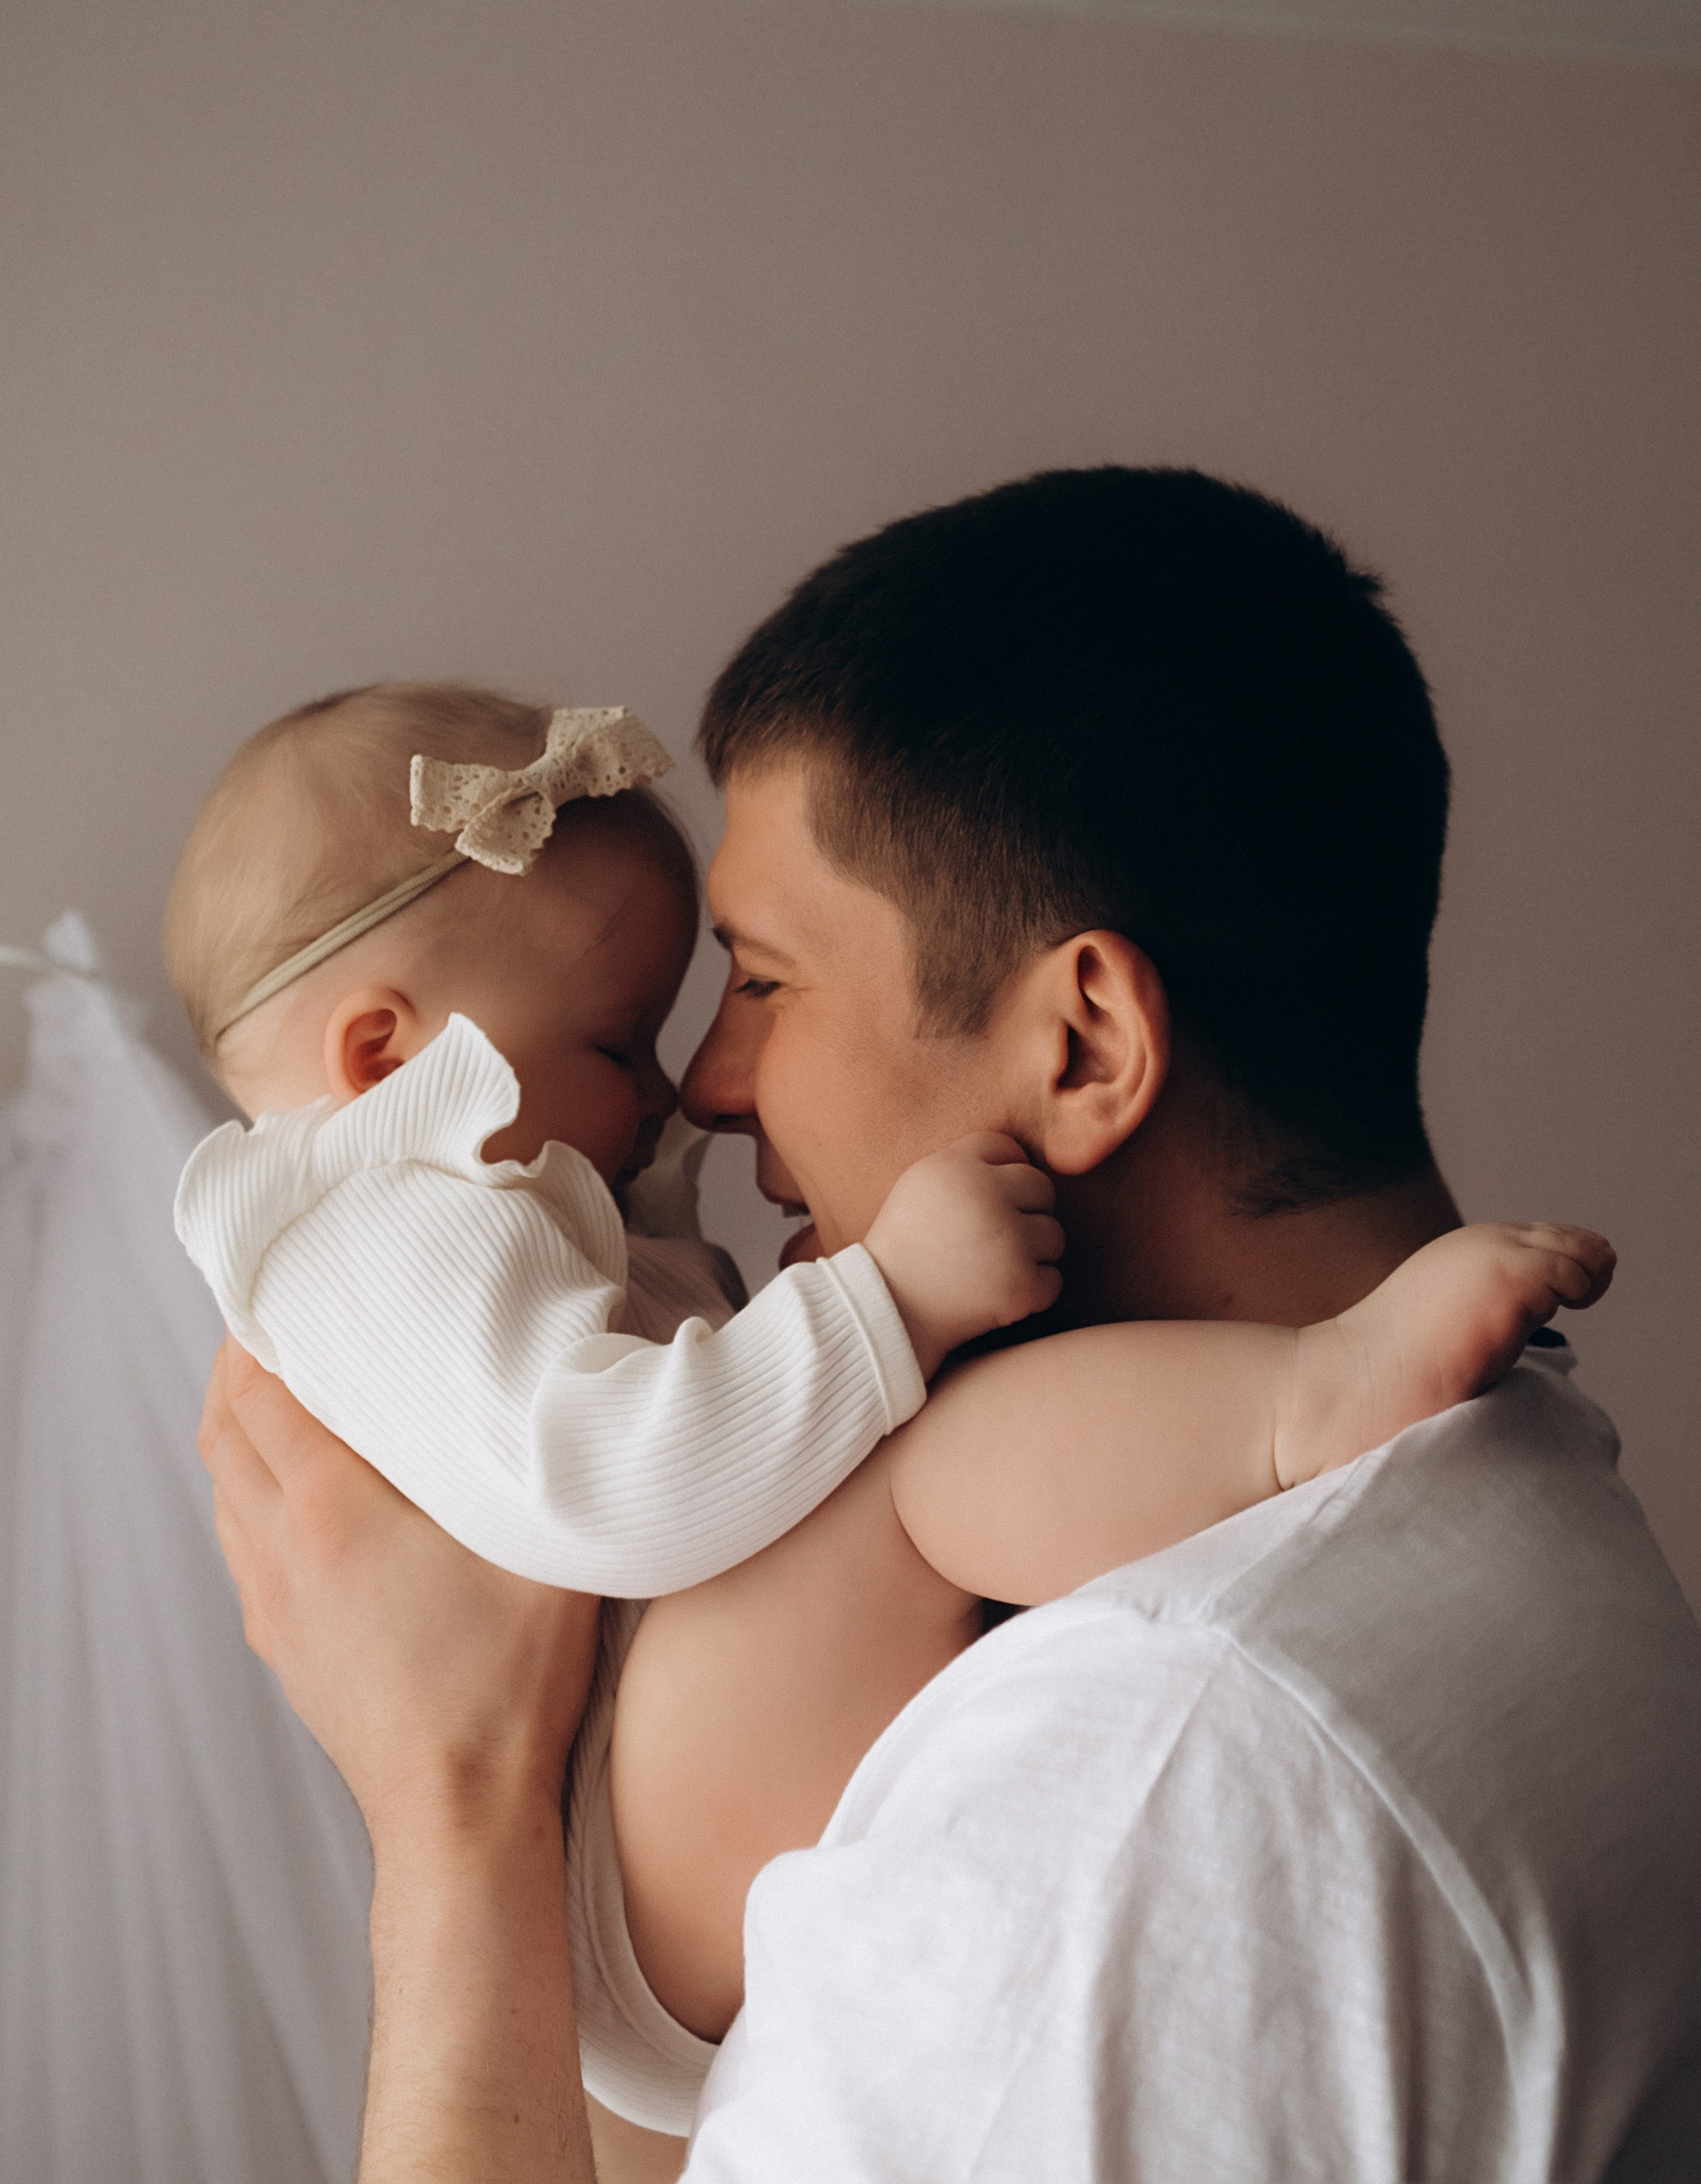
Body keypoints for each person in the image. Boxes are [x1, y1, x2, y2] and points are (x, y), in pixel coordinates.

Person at [199, 468, 1701, 2180]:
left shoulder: (1161, 1764)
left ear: (1080, 1046)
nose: (704, 1078)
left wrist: (448, 1802)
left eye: (762, 979)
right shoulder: (1520, 1511)